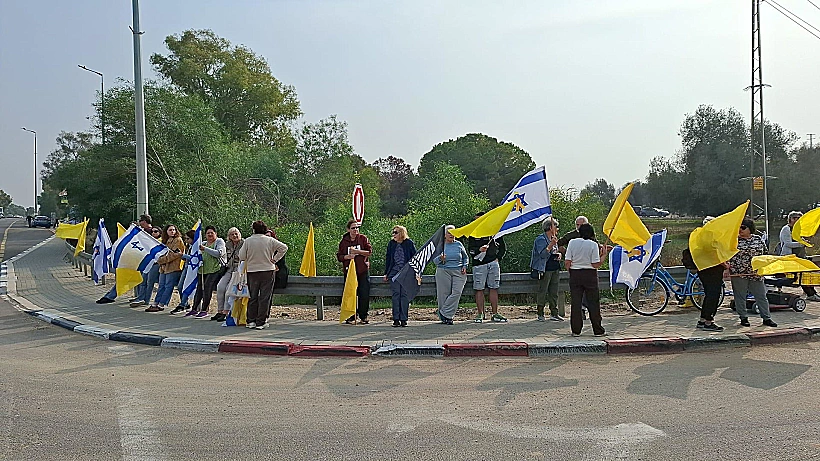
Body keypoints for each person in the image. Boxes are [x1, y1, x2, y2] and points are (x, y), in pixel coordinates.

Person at [238, 220, 288, 330]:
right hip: (267, 270)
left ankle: (251, 320)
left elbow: (241, 256)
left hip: (252, 271)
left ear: (254, 229)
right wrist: (274, 259)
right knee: (265, 297)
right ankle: (261, 321)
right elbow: (284, 248)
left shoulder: (248, 241)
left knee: (253, 296)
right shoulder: (270, 240)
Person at [729, 218, 777, 328]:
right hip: (739, 273)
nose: (740, 230)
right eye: (739, 227)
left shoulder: (758, 239)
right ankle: (743, 317)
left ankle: (766, 318)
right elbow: (727, 255)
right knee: (740, 296)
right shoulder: (734, 241)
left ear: (750, 229)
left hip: (756, 273)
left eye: (743, 227)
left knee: (761, 296)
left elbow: (765, 253)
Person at [96, 214, 154, 304]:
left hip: (144, 261)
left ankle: (113, 296)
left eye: (140, 221)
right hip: (135, 260)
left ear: (144, 222)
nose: (139, 223)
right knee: (124, 277)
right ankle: (112, 296)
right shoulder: (142, 232)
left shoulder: (151, 233)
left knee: (140, 281)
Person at [565, 223, 606, 337]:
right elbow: (595, 264)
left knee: (576, 303)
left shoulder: (572, 242)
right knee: (593, 302)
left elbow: (567, 261)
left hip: (575, 274)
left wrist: (571, 272)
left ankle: (576, 330)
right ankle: (597, 329)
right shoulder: (593, 244)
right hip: (590, 275)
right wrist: (603, 256)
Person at [468, 212, 507, 323]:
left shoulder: (494, 231)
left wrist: (498, 258)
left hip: (493, 263)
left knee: (494, 287)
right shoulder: (473, 232)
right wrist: (478, 250)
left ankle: (495, 313)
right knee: (479, 289)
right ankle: (481, 313)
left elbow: (503, 247)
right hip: (479, 265)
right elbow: (470, 250)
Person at [337, 219, 373, 324]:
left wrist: (358, 252)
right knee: (350, 294)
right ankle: (351, 316)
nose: (355, 230)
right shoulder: (344, 242)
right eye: (353, 228)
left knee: (364, 294)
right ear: (348, 229)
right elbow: (339, 256)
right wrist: (347, 256)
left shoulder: (363, 239)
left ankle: (363, 316)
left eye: (357, 228)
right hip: (349, 272)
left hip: (362, 271)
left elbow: (369, 252)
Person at [779, 211, 820, 302]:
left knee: (806, 275)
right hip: (790, 257)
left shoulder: (799, 229)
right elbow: (788, 244)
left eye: (799, 218)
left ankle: (811, 292)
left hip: (800, 256)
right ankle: (810, 294)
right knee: (801, 276)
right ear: (790, 219)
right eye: (794, 218)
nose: (797, 220)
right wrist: (802, 244)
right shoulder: (786, 229)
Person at [186, 226, 226, 318]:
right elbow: (195, 256)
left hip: (215, 269)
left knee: (207, 288)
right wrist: (183, 256)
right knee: (199, 289)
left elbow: (219, 253)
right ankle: (194, 308)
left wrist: (205, 249)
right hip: (203, 270)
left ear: (216, 234)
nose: (210, 234)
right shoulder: (203, 243)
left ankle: (205, 309)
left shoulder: (219, 242)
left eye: (212, 232)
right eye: (208, 233)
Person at [433, 225, 468, 325]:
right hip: (443, 270)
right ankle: (448, 318)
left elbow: (465, 258)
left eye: (453, 233)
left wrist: (465, 266)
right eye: (449, 233)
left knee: (457, 292)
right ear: (444, 235)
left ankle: (443, 313)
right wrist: (440, 258)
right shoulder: (440, 245)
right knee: (443, 294)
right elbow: (435, 261)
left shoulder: (459, 244)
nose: (451, 235)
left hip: (458, 271)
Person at [530, 216, 564, 322]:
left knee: (554, 291)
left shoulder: (554, 239)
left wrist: (559, 254)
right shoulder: (541, 239)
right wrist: (550, 245)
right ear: (550, 227)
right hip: (545, 268)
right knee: (543, 291)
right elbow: (542, 254)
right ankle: (540, 312)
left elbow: (554, 251)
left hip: (555, 267)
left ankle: (554, 313)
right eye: (556, 226)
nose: (557, 229)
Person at [384, 225, 416, 327]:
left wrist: (415, 272)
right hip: (394, 272)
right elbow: (388, 259)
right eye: (393, 232)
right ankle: (396, 319)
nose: (393, 234)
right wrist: (386, 273)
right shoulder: (391, 244)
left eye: (396, 232)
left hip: (406, 273)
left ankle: (404, 319)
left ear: (401, 233)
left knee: (404, 295)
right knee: (396, 294)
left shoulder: (409, 243)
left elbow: (415, 258)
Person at [147, 225, 185, 312]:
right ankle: (156, 302)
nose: (172, 231)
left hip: (173, 267)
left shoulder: (177, 240)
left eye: (173, 230)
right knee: (161, 285)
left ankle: (162, 304)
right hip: (164, 268)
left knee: (168, 286)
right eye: (170, 230)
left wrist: (161, 260)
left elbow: (174, 254)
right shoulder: (165, 240)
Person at [213, 227, 244, 322]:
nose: (235, 236)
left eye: (236, 233)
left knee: (228, 289)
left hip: (239, 270)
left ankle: (226, 312)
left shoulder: (244, 243)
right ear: (229, 236)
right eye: (232, 234)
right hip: (229, 268)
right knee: (220, 287)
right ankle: (220, 310)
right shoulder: (227, 245)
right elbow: (224, 256)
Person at [170, 230, 196, 314]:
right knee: (180, 286)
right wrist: (181, 256)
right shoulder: (189, 246)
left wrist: (182, 255)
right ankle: (185, 303)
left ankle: (183, 304)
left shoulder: (197, 247)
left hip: (192, 269)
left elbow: (195, 258)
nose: (186, 240)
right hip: (186, 267)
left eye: (188, 238)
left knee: (185, 286)